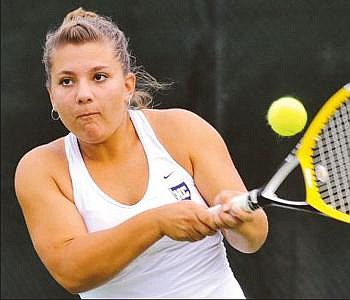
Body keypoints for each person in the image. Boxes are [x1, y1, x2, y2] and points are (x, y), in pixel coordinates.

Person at [14, 7, 268, 299]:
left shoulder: (184, 130)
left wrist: (240, 220)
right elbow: (72, 272)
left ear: (127, 86)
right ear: (52, 95)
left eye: (99, 77)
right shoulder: (40, 169)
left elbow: (252, 238)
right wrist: (157, 222)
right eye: (67, 81)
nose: (83, 94)